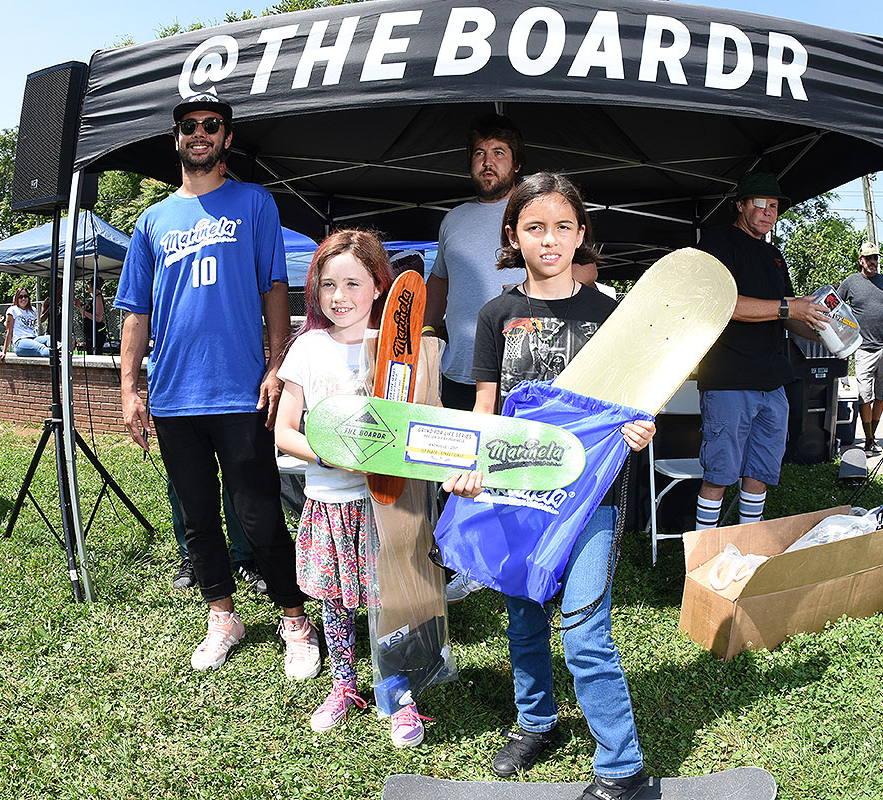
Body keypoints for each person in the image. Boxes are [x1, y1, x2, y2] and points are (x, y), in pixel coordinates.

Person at [446, 173, 656, 800]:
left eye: (563, 227)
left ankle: (624, 768)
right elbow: (485, 405)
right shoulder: (496, 314)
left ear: (582, 234)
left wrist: (642, 425)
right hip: (515, 493)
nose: (550, 239)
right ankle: (536, 722)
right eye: (535, 227)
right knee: (523, 616)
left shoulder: (609, 313)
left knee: (586, 627)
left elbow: (640, 398)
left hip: (591, 497)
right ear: (513, 235)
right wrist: (473, 465)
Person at [116, 92, 317, 677]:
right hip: (175, 396)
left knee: (258, 515)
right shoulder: (151, 221)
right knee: (199, 518)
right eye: (188, 126)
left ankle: (294, 619)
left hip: (241, 392)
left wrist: (277, 364)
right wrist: (131, 390)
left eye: (211, 125)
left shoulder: (254, 203)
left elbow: (275, 290)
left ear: (226, 138)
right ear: (176, 138)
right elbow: (135, 312)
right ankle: (222, 615)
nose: (198, 133)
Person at [274, 228, 433, 747]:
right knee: (335, 604)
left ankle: (398, 693)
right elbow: (283, 431)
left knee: (389, 600)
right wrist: (331, 453)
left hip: (383, 503)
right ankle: (345, 686)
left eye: (352, 284)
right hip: (326, 501)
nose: (339, 297)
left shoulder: (396, 352)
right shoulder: (307, 348)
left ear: (378, 288)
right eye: (328, 285)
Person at [424, 114, 528, 604]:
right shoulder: (453, 219)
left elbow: (584, 269)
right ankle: (463, 559)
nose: (488, 164)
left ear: (516, 162)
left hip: (523, 370)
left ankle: (515, 561)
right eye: (479, 154)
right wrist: (424, 329)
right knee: (460, 466)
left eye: (499, 153)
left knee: (512, 471)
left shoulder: (535, 210)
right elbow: (439, 284)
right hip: (459, 367)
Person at [693, 171, 829, 530]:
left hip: (773, 382)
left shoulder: (774, 256)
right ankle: (704, 556)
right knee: (720, 474)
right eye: (760, 204)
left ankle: (748, 545)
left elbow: (788, 318)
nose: (768, 212)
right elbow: (726, 305)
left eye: (774, 206)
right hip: (729, 379)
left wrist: (824, 331)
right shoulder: (718, 242)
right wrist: (790, 307)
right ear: (740, 205)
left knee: (761, 473)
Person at [838, 241, 883, 454]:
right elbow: (835, 305)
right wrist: (844, 335)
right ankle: (868, 437)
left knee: (882, 396)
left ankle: (872, 437)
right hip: (863, 349)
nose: (873, 262)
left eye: (875, 258)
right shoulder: (851, 282)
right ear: (861, 261)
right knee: (865, 395)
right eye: (869, 258)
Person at [0, 286, 51, 360]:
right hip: (20, 342)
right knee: (41, 348)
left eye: (25, 296)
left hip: (33, 339)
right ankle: (59, 356)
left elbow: (40, 321)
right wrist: (4, 352)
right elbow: (9, 332)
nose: (23, 299)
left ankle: (59, 352)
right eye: (20, 296)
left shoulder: (33, 310)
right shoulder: (12, 310)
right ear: (17, 298)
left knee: (49, 338)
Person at [75, 275, 109, 354]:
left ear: (91, 285)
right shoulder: (94, 298)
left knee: (95, 353)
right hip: (90, 333)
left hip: (96, 334)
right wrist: (79, 305)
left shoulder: (98, 298)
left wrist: (84, 312)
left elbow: (98, 318)